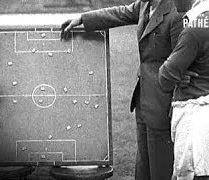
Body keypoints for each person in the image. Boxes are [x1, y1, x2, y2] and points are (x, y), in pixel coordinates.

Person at [60, 0, 185, 179]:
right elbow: (118, 13)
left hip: (163, 104)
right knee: (143, 164)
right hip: (143, 99)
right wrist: (82, 18)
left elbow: (181, 63)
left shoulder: (175, 12)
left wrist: (175, 105)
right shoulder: (144, 5)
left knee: (161, 166)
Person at [158, 0, 209, 179]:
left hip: (196, 116)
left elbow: (165, 77)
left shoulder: (198, 24)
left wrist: (176, 73)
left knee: (194, 173)